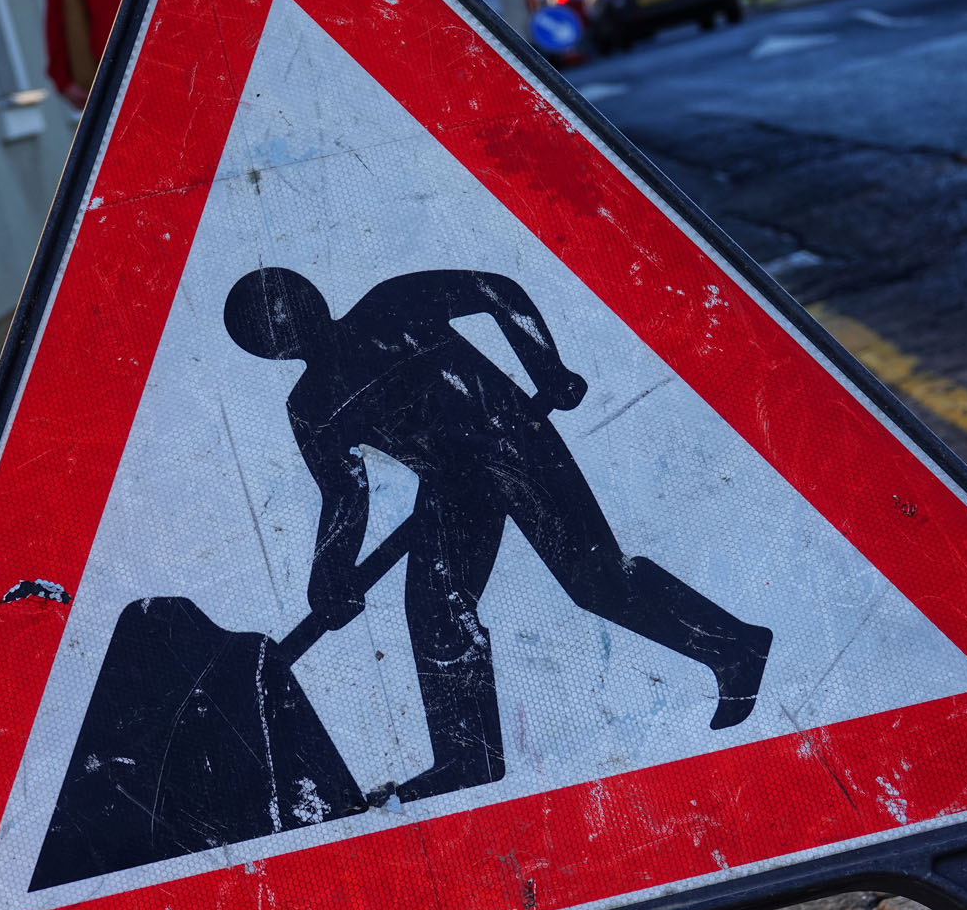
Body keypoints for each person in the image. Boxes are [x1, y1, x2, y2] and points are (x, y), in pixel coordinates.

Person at [224, 267, 773, 805]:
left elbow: (494, 290)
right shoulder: (313, 404)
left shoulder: (390, 306)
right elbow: (345, 494)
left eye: (288, 310)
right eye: (273, 329)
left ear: (311, 297)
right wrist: (331, 573)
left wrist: (547, 366)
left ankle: (736, 648)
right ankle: (469, 758)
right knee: (437, 611)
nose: (290, 326)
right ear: (267, 350)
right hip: (450, 487)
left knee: (596, 581)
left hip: (513, 444)